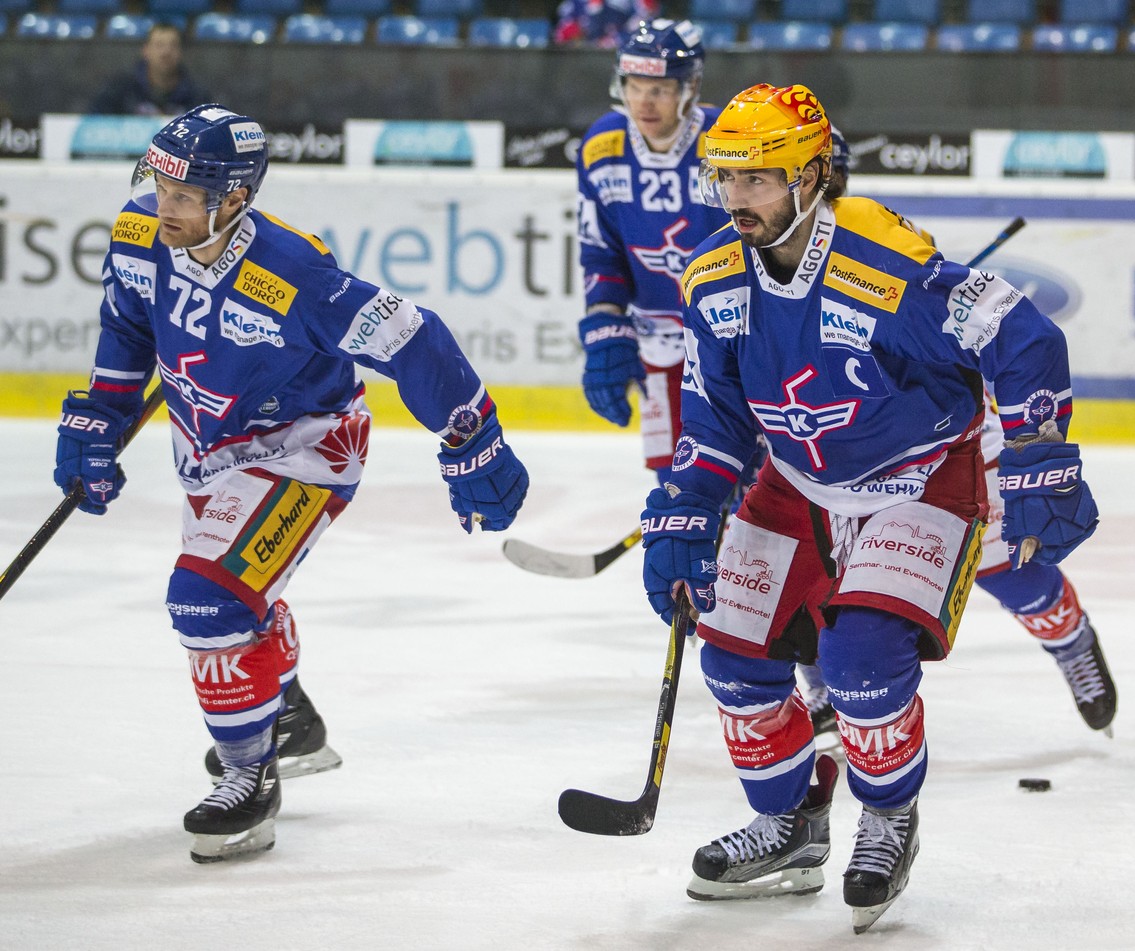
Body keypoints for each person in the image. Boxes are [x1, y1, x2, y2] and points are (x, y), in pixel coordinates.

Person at [641, 83, 1099, 932]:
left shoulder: (882, 260)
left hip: (919, 476)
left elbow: (1025, 334)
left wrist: (1040, 454)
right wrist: (687, 506)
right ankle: (791, 823)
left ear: (813, 175)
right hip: (796, 479)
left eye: (759, 179)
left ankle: (889, 817)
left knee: (859, 667)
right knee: (733, 658)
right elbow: (717, 421)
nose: (736, 199)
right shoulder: (711, 279)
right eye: (725, 180)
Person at [52, 104, 529, 863]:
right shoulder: (139, 233)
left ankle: (250, 775)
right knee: (238, 594)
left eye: (182, 196)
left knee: (207, 599)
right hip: (208, 452)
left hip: (304, 451)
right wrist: (99, 418)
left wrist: (473, 434)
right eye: (158, 185)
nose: (160, 206)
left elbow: (413, 336)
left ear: (234, 197)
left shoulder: (289, 272)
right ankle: (290, 717)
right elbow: (129, 327)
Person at [819, 127, 1118, 737]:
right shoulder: (754, 257)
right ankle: (825, 693)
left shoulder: (888, 241)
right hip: (831, 454)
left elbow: (983, 338)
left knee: (1015, 567)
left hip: (939, 443)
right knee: (818, 581)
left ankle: (1069, 639)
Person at [573, 18, 729, 477]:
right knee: (674, 476)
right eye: (634, 85)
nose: (644, 101)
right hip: (657, 339)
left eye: (659, 88)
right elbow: (600, 250)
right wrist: (604, 328)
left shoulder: (727, 143)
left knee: (745, 479)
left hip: (734, 340)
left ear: (691, 86)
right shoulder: (602, 146)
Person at [88, 23, 211, 117]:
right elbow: (97, 122)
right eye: (159, 45)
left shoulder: (197, 96)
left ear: (181, 52)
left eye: (173, 46)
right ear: (146, 50)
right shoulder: (121, 89)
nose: (166, 52)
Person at [554, 0, 661, 48]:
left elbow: (644, 23)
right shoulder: (575, 4)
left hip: (616, 54)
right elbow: (562, 33)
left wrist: (617, 39)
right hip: (583, 56)